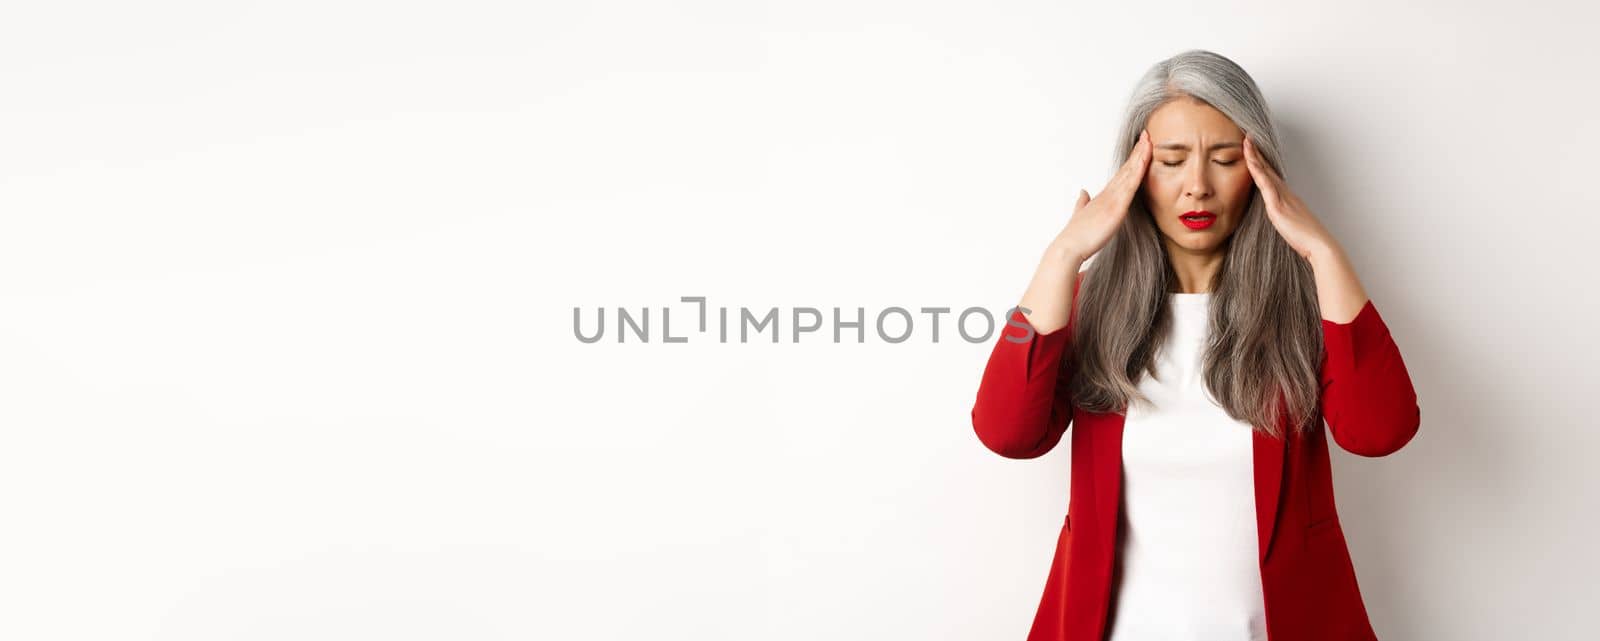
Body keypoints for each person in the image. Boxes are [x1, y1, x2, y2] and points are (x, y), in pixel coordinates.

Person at [969, 49, 1421, 641]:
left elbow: (1381, 431)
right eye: (1173, 161)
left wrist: (1324, 254)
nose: (1197, 187)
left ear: (1260, 171)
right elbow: (1006, 432)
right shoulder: (1082, 305)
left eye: (1226, 159)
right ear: (1134, 173)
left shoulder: (1310, 306)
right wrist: (1061, 258)